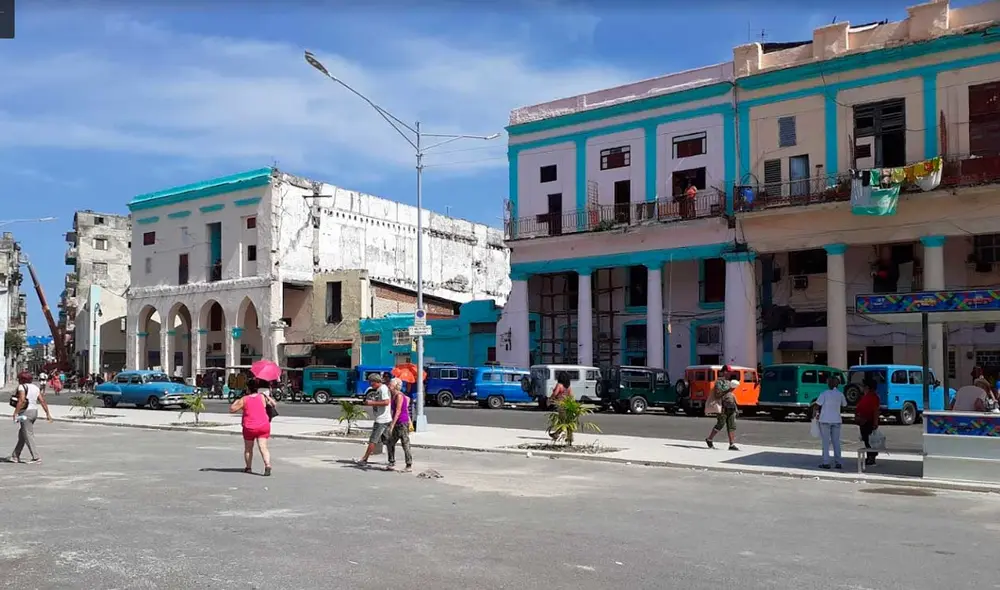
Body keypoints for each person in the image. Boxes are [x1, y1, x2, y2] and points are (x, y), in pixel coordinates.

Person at [229, 378, 276, 476]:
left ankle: (248, 468)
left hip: (250, 427)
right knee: (263, 447)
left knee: (248, 449)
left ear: (247, 388)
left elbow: (232, 409)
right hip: (264, 425)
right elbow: (274, 404)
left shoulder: (244, 399)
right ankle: (267, 464)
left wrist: (237, 400)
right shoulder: (262, 397)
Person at [10, 371, 53, 464]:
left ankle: (36, 457)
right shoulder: (35, 388)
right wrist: (47, 413)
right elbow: (42, 401)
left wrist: (15, 413)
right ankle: (15, 455)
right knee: (23, 434)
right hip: (34, 412)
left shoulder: (22, 387)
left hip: (25, 413)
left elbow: (21, 400)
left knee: (28, 434)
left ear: (22, 379)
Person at [356, 374, 392, 466]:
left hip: (382, 420)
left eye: (371, 382)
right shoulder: (380, 389)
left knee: (373, 440)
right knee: (388, 441)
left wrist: (372, 402)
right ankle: (392, 460)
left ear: (376, 382)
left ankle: (364, 459)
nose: (370, 384)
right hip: (384, 418)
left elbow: (386, 402)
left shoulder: (383, 389)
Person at [814, 375, 848, 469]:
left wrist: (815, 414)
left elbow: (817, 405)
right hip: (836, 420)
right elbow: (844, 405)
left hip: (825, 420)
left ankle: (826, 462)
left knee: (825, 442)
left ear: (829, 384)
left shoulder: (824, 393)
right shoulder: (840, 394)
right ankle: (838, 462)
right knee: (836, 442)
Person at [705, 366, 740, 451]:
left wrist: (736, 407)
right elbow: (718, 394)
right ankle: (709, 439)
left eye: (730, 371)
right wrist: (729, 390)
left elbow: (731, 396)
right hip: (723, 407)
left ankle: (732, 444)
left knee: (732, 426)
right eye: (727, 371)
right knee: (720, 424)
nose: (729, 373)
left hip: (731, 406)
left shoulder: (729, 382)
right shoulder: (719, 382)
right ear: (723, 372)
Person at [385, 378, 413, 472]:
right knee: (390, 442)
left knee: (405, 443)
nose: (389, 386)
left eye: (391, 385)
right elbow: (407, 400)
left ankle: (408, 465)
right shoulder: (394, 395)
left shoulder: (399, 396)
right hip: (397, 422)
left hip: (402, 423)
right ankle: (391, 462)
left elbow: (398, 411)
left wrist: (392, 424)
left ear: (396, 386)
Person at [855, 377, 882, 466]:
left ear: (868, 387)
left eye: (864, 386)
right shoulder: (865, 397)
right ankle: (869, 456)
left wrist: (875, 423)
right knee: (867, 440)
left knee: (870, 441)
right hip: (863, 421)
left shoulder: (873, 397)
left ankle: (871, 458)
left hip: (868, 421)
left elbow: (875, 411)